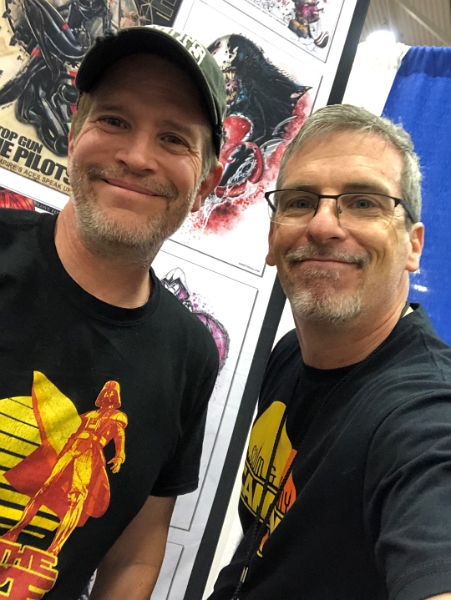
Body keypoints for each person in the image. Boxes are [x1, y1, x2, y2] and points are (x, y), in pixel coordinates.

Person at [0, 25, 226, 599]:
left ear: (206, 182)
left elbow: (134, 555)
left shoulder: (190, 355)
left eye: (173, 138)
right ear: (74, 132)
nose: (136, 157)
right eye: (115, 121)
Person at [209, 104, 451, 600]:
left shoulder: (426, 413)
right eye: (300, 202)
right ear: (272, 237)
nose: (323, 226)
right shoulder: (291, 355)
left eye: (363, 203)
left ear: (413, 246)